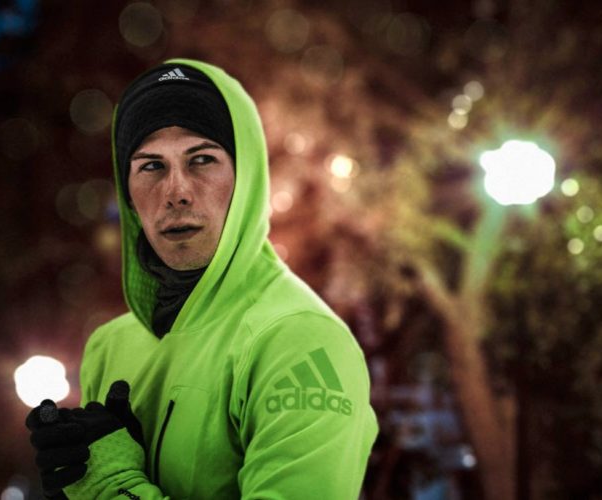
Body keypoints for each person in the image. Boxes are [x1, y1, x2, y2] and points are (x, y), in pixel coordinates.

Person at [25, 58, 378, 499]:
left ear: (246, 179)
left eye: (202, 160)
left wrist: (114, 486)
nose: (177, 192)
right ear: (127, 194)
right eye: (151, 166)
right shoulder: (109, 345)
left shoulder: (302, 342)